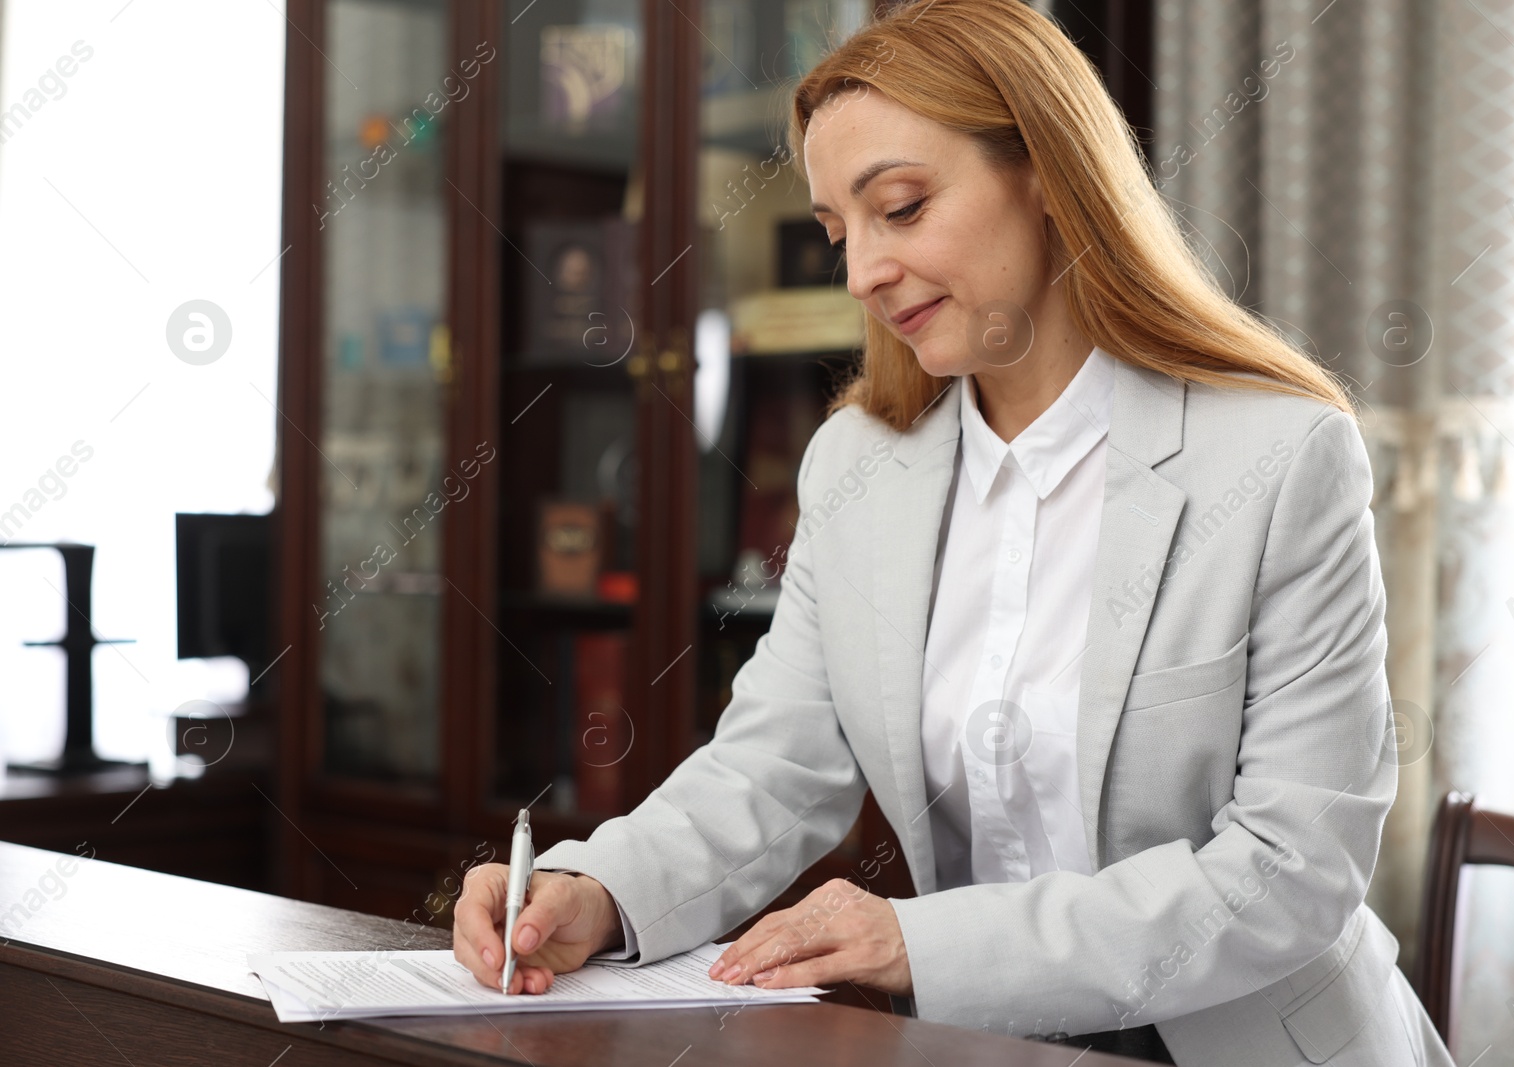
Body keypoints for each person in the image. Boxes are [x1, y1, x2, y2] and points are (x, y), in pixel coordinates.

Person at [453, 2, 1455, 1063]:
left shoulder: (1280, 456)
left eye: (901, 206)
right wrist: (598, 888)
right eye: (841, 231)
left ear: (1048, 175)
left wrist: (910, 938)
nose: (860, 274)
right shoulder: (858, 466)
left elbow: (1291, 870)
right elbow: (771, 764)